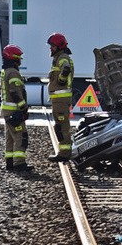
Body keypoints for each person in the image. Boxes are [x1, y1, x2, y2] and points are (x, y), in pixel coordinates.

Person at [0, 44, 31, 173]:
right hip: (14, 110)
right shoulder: (13, 72)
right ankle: (19, 163)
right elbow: (15, 92)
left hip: (6, 110)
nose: (20, 60)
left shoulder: (5, 71)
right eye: (18, 57)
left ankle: (10, 162)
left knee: (10, 137)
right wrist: (23, 108)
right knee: (20, 136)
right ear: (13, 58)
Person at [46, 32, 74, 162]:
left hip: (61, 100)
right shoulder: (59, 57)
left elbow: (66, 68)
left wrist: (62, 80)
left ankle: (65, 153)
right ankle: (64, 151)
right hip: (59, 100)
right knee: (60, 125)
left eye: (52, 46)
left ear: (59, 46)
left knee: (62, 126)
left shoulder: (62, 57)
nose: (50, 48)